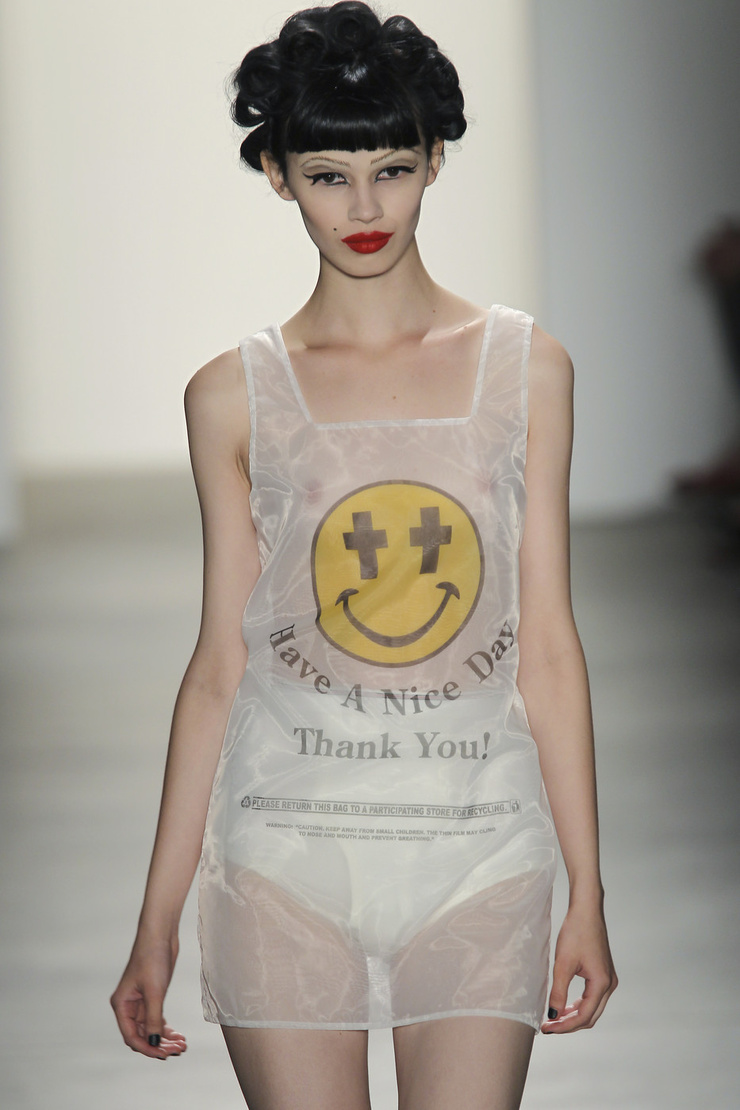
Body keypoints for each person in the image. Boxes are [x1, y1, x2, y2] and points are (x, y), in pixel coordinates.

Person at [110, 4, 617, 1107]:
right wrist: (155, 924)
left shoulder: (526, 371)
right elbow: (219, 666)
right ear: (278, 176)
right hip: (281, 853)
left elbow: (546, 646)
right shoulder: (231, 396)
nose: (365, 207)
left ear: (435, 160)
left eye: (390, 168)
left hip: (481, 848)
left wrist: (587, 888)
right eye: (328, 175)